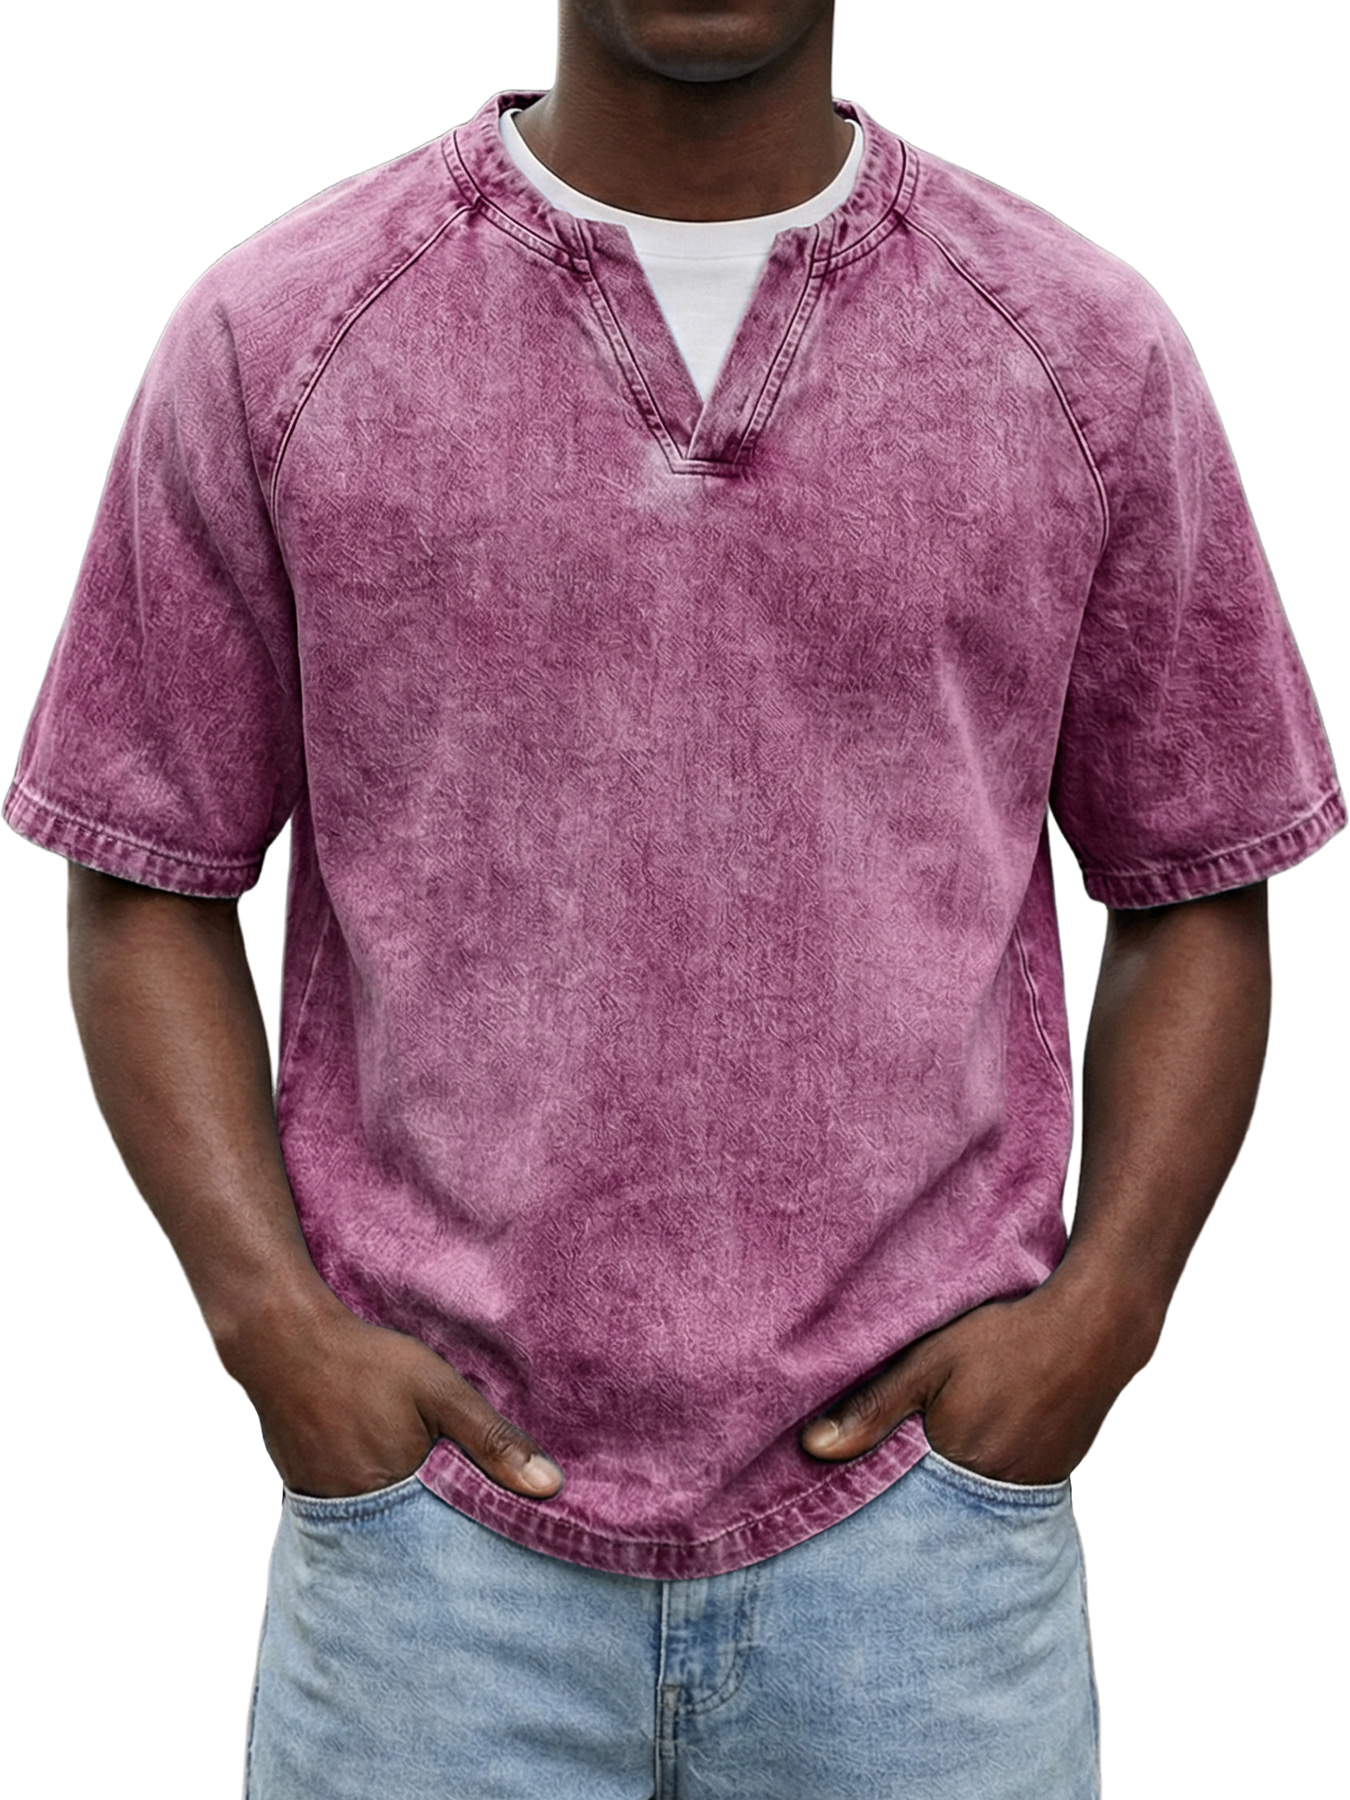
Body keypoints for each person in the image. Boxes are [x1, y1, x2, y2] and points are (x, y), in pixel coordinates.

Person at [5, 1, 1342, 1794]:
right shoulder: (285, 331)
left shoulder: (1079, 349)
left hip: (921, 1558)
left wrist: (1110, 1308)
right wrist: (273, 1328)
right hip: (429, 1559)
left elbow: (1193, 872)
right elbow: (141, 862)